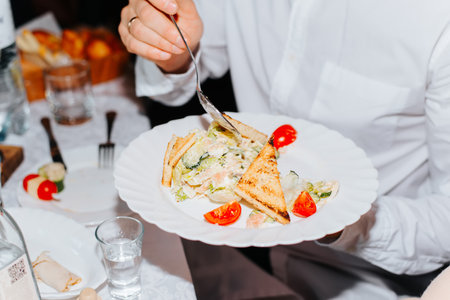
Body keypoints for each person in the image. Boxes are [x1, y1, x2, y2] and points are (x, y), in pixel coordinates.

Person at [118, 0, 450, 299]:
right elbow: (188, 63)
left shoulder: (437, 20)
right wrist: (169, 50)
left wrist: (345, 220)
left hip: (377, 274)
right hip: (238, 244)